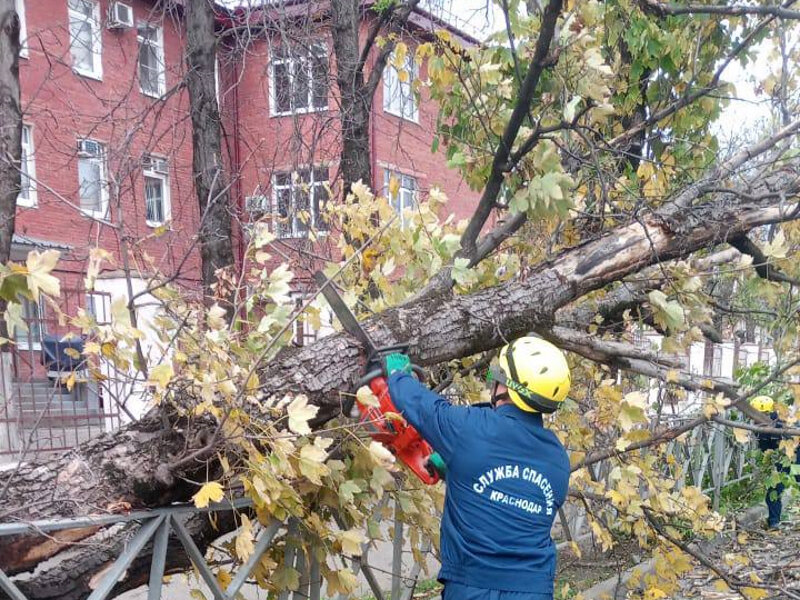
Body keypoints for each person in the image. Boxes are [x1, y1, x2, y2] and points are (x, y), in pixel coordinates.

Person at [382, 336, 572, 600]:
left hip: (473, 586)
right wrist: (460, 467)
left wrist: (398, 376)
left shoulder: (472, 428)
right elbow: (516, 495)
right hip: (533, 589)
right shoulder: (558, 459)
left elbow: (423, 408)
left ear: (507, 387)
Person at [750, 395, 800, 529]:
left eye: (754, 413)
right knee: (774, 490)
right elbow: (765, 450)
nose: (751, 418)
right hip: (781, 460)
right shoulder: (759, 429)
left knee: (779, 488)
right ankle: (774, 523)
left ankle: (774, 522)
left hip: (795, 457)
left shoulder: (783, 423)